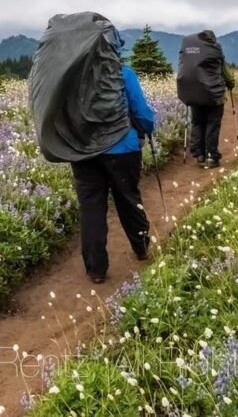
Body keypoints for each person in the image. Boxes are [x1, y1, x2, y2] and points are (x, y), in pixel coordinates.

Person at [69, 30, 156, 284]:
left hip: (83, 153)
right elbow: (141, 113)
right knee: (128, 198)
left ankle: (96, 269)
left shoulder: (72, 79)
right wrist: (147, 129)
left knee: (91, 208)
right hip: (122, 150)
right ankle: (141, 248)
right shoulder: (123, 74)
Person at [177, 30, 235, 168]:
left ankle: (199, 155)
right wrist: (231, 84)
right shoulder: (214, 51)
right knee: (212, 125)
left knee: (197, 123)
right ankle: (211, 156)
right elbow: (226, 73)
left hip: (194, 95)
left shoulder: (190, 53)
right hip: (214, 97)